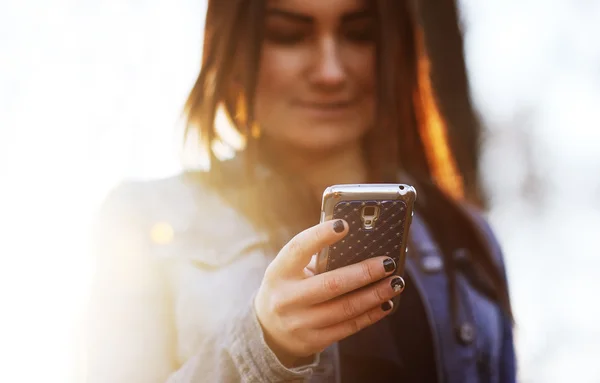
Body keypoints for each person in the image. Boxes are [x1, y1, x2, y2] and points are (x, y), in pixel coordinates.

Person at [86, 0, 516, 382]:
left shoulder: (465, 237)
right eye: (288, 35)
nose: (330, 71)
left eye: (359, 33)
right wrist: (265, 346)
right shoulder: (142, 221)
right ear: (233, 46)